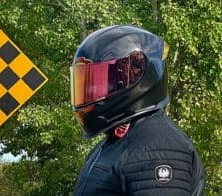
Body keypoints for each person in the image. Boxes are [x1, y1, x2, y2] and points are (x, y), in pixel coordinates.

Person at [70, 25, 205, 195]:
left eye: (98, 84)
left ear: (132, 80)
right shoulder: (116, 140)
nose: (90, 93)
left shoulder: (158, 147)